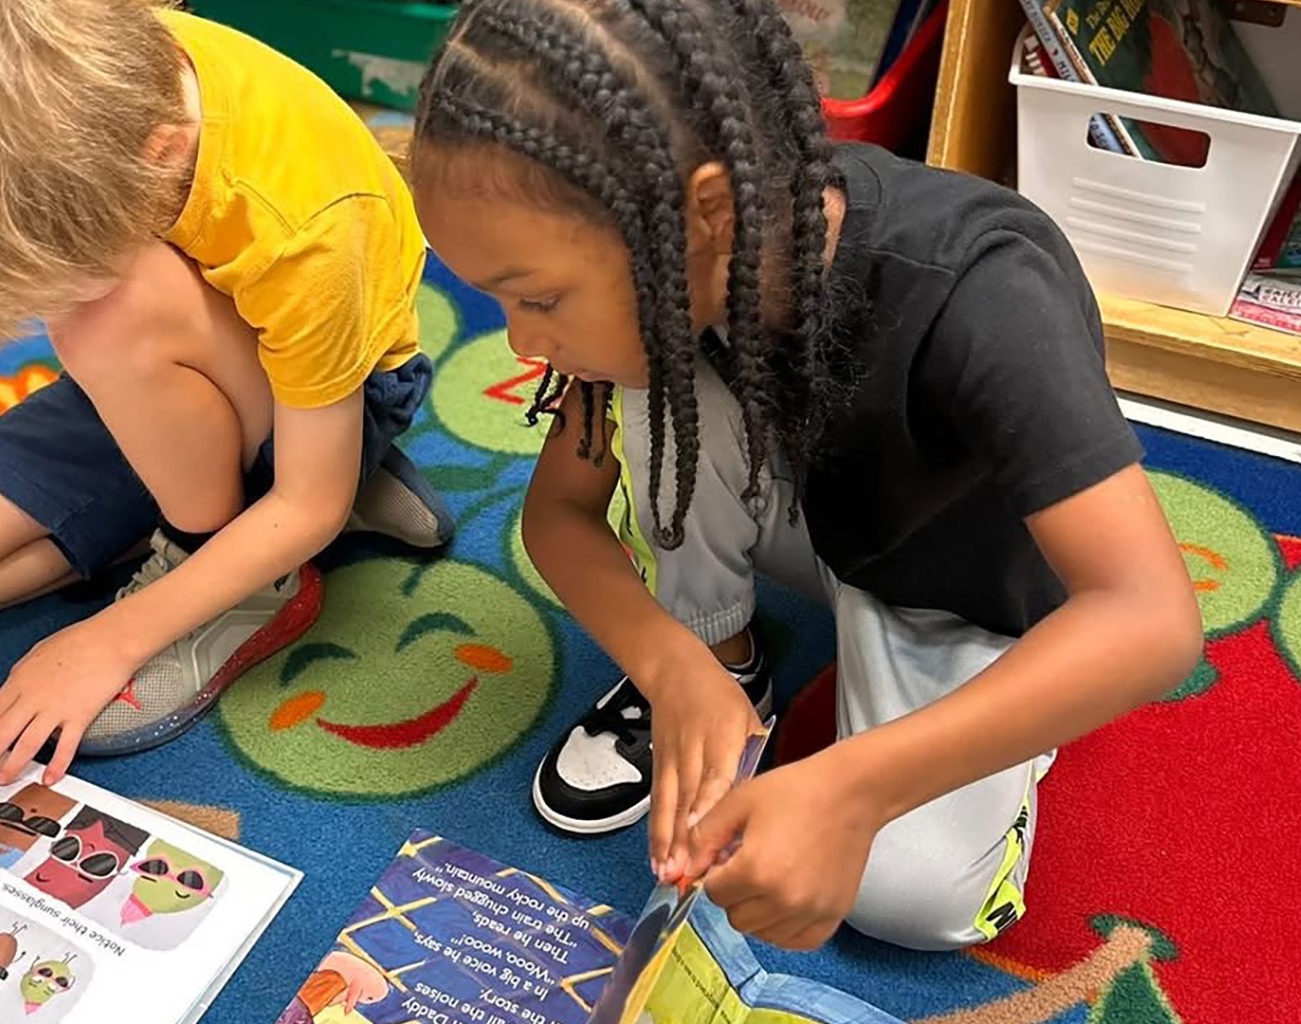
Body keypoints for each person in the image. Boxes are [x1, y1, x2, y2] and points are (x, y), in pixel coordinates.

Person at [408, 0, 1202, 952]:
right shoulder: (668, 264)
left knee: (911, 901)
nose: (522, 340)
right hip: (814, 519)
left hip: (960, 598)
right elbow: (560, 518)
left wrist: (853, 786)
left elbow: (1152, 620)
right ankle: (733, 660)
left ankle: (1011, 737)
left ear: (706, 210)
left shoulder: (981, 289)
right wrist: (674, 665)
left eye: (536, 297)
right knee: (661, 379)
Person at [0, 0, 453, 787]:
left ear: (159, 159)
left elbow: (308, 506)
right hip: (151, 370)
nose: (15, 321)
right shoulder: (51, 117)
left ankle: (237, 561)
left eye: (22, 296)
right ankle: (237, 515)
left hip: (338, 386)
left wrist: (116, 637)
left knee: (105, 317)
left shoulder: (303, 230)